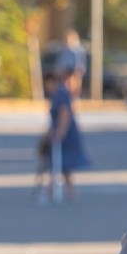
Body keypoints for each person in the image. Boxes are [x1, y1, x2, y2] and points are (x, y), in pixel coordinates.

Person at [40, 70, 90, 205]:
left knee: (58, 163)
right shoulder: (59, 93)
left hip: (65, 134)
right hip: (62, 132)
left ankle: (50, 190)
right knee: (64, 165)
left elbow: (64, 115)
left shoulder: (60, 94)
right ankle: (70, 191)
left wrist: (58, 134)